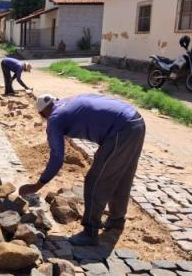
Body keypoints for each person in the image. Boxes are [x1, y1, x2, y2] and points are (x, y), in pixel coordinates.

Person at [19, 93, 145, 246]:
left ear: (42, 113)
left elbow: (57, 158)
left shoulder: (54, 119)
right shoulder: (66, 101)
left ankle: (90, 233)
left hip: (120, 130)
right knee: (122, 178)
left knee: (95, 181)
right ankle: (116, 222)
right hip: (136, 121)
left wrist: (36, 185)